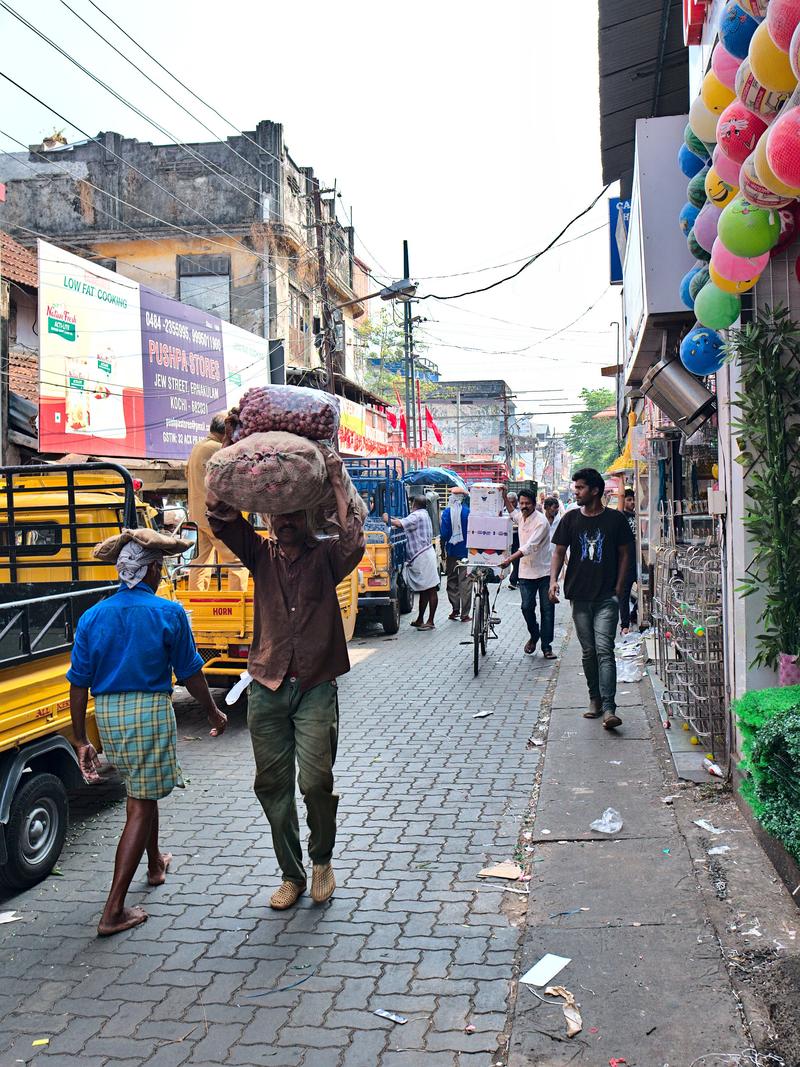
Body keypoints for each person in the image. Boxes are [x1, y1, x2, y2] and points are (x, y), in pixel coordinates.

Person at [208, 449, 364, 910]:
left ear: (307, 514)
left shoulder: (327, 557)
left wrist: (336, 479)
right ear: (269, 517)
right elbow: (219, 518)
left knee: (315, 781)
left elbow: (353, 538)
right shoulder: (259, 553)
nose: (285, 521)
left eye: (293, 513)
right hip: (267, 685)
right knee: (271, 785)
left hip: (315, 684)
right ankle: (291, 874)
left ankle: (321, 860)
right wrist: (227, 458)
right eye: (278, 514)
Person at [67, 537, 228, 936]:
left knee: (143, 788)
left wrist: (80, 739)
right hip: (149, 711)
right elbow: (190, 673)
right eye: (159, 568)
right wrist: (213, 711)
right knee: (140, 801)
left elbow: (78, 683)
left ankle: (155, 863)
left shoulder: (93, 616)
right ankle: (113, 910)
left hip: (108, 716)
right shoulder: (168, 612)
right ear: (152, 570)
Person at [549, 468, 634, 730]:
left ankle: (609, 708)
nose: (576, 492)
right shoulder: (570, 519)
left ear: (595, 491)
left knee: (604, 650)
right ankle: (594, 699)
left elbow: (625, 554)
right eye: (575, 488)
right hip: (579, 596)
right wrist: (553, 580)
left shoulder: (615, 520)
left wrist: (619, 587)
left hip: (607, 596)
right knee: (588, 652)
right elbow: (559, 552)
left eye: (580, 488)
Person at [186, 415, 248, 592]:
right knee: (237, 560)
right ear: (226, 433)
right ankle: (237, 604)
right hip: (215, 516)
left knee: (199, 563)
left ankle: (196, 604)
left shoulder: (198, 447)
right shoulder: (218, 449)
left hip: (196, 516)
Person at [499, 487, 555, 659]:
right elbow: (512, 513)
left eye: (527, 504)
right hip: (525, 572)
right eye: (522, 503)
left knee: (547, 609)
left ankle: (547, 646)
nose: (524, 506)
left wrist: (509, 559)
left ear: (534, 504)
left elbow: (530, 546)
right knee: (526, 607)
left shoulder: (541, 522)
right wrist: (503, 496)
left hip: (544, 571)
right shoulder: (521, 517)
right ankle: (534, 634)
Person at [386, 495, 439, 630]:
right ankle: (421, 619)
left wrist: (387, 519)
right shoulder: (424, 514)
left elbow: (400, 524)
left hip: (423, 557)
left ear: (415, 504)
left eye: (412, 503)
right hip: (424, 556)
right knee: (424, 591)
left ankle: (430, 621)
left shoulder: (417, 516)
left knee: (431, 590)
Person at [439, 487, 471, 622]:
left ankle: (455, 609)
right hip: (467, 551)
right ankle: (465, 614)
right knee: (465, 581)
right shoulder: (468, 512)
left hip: (452, 551)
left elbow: (444, 534)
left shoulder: (447, 512)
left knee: (452, 580)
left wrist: (442, 549)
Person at [619, 488, 638, 634]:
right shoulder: (621, 516)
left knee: (647, 589)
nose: (632, 502)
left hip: (640, 559)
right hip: (626, 561)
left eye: (633, 499)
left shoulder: (639, 515)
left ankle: (635, 614)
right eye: (629, 499)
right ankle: (624, 624)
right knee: (624, 594)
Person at [506, 492, 520, 588]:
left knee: (516, 559)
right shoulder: (503, 510)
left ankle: (513, 580)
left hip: (517, 537)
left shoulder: (519, 511)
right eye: (509, 502)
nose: (512, 504)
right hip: (506, 537)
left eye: (513, 502)